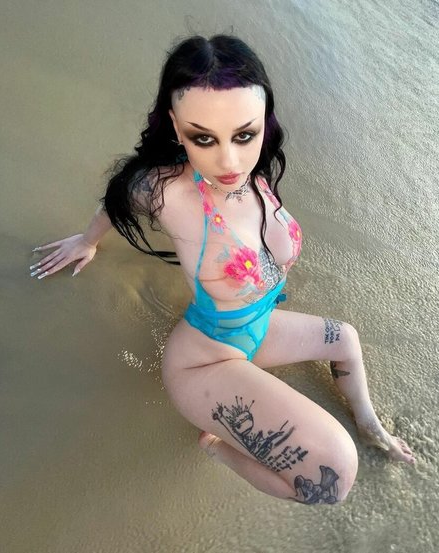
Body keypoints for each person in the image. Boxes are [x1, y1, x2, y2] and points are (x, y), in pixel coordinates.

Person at [29, 34, 415, 505]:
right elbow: (119, 196)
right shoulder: (169, 192)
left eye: (244, 135)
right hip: (203, 363)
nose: (228, 161)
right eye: (203, 138)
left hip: (257, 327)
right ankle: (218, 448)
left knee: (345, 339)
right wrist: (86, 241)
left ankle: (370, 424)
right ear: (176, 126)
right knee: (332, 479)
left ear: (263, 121)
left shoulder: (256, 174)